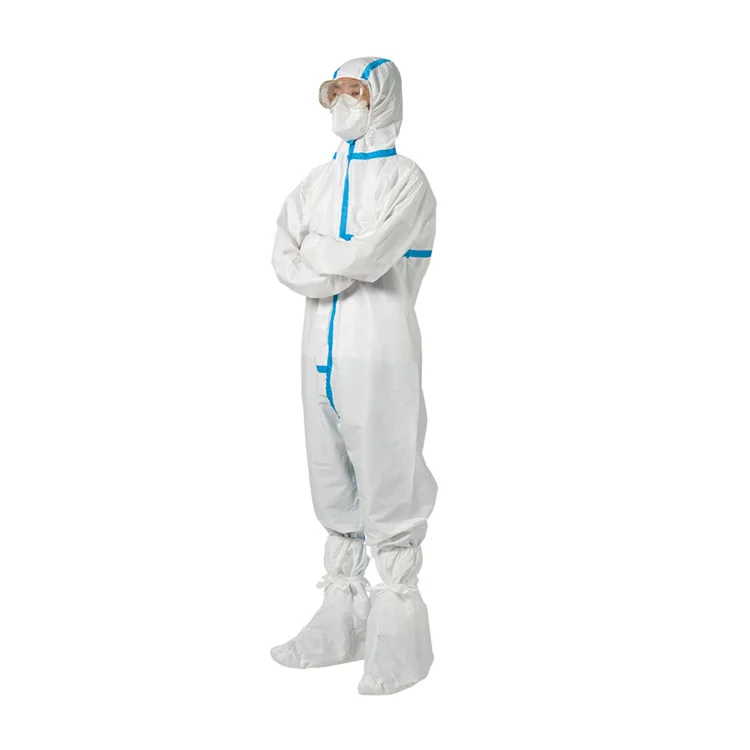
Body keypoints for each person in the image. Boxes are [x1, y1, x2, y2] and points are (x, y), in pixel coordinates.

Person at [270, 57, 438, 695]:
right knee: (330, 477)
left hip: (379, 352)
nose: (344, 101)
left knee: (389, 479)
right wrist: (333, 261)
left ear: (382, 98)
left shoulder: (406, 179)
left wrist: (321, 254)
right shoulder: (315, 182)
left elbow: (371, 258)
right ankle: (338, 623)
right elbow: (283, 255)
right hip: (317, 351)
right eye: (335, 91)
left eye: (356, 91)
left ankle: (397, 642)